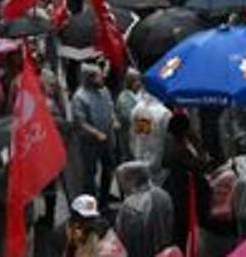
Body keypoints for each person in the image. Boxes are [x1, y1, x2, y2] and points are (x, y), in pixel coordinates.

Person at [162, 110, 211, 249]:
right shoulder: (177, 150)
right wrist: (204, 162)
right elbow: (196, 166)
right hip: (184, 196)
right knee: (183, 230)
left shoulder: (188, 142)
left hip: (190, 193)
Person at [71, 63, 116, 204]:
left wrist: (114, 120)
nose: (103, 78)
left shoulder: (104, 91)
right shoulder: (79, 97)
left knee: (108, 168)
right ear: (89, 78)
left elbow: (110, 107)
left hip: (107, 137)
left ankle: (104, 198)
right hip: (89, 142)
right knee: (90, 173)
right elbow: (80, 123)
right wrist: (96, 133)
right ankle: (91, 202)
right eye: (99, 76)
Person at [115, 161, 176, 257]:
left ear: (131, 179)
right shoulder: (164, 195)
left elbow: (123, 239)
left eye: (122, 181)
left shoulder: (129, 205)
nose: (121, 187)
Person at [131, 89, 172, 177]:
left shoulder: (138, 109)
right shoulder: (164, 113)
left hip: (141, 155)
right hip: (158, 159)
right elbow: (168, 139)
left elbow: (141, 135)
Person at [115, 68, 143, 161]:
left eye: (140, 80)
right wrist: (145, 129)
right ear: (130, 82)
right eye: (136, 81)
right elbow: (129, 118)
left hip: (141, 136)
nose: (139, 83)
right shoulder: (124, 98)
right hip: (130, 135)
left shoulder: (141, 94)